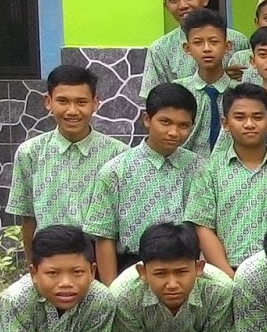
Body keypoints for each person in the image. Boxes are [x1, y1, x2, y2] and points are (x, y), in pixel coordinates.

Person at [81, 83, 200, 279]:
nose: (173, 132)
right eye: (165, 122)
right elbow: (105, 236)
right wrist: (112, 289)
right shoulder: (115, 171)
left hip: (185, 269)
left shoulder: (200, 169)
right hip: (132, 268)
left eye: (183, 125)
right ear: (147, 119)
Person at [6, 65, 127, 257]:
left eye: (81, 102)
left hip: (101, 257)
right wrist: (33, 266)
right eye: (62, 101)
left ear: (95, 103)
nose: (72, 111)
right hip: (49, 257)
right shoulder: (30, 153)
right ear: (48, 102)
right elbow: (28, 218)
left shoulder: (119, 155)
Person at [185, 83, 267, 276]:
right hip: (225, 273)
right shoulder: (209, 170)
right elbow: (203, 227)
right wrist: (229, 275)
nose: (249, 124)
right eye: (240, 117)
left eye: (257, 117)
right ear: (225, 124)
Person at [140, 0, 248, 97]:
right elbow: (154, 99)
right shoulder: (159, 50)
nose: (182, 5)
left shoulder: (237, 40)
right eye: (173, 0)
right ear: (166, 5)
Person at [174, 8, 237, 157]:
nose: (207, 49)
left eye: (214, 42)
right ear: (187, 48)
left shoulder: (240, 93)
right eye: (198, 43)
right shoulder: (178, 91)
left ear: (227, 46)